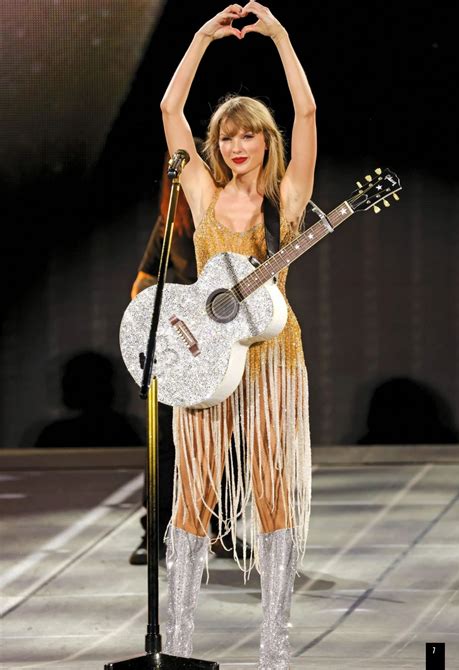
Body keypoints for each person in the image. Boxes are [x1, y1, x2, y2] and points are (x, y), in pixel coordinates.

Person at [160, 3, 316, 668]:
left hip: (272, 354)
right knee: (193, 492)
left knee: (272, 491)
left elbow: (306, 112)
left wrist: (280, 37)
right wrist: (201, 37)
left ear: (265, 140)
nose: (236, 145)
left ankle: (274, 652)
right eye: (226, 136)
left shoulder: (286, 196)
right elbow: (170, 109)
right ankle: (176, 647)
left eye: (248, 134)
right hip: (206, 354)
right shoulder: (200, 191)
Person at [129, 141, 251, 564]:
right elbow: (143, 280)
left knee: (231, 440)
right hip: (181, 348)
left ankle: (221, 529)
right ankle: (154, 532)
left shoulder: (237, 216)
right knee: (166, 442)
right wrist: (171, 315)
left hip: (226, 348)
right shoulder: (172, 223)